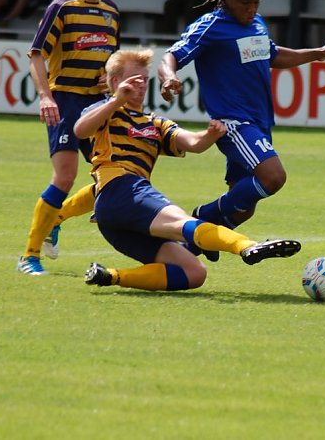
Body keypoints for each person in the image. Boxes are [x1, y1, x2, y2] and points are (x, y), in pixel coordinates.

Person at [157, 0, 325, 260]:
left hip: (259, 123)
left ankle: (193, 245)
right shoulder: (211, 26)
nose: (251, 8)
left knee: (244, 209)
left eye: (257, 2)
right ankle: (203, 215)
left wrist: (318, 53)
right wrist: (168, 77)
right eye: (245, 2)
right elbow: (171, 56)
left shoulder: (257, 23)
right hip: (233, 123)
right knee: (273, 177)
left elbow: (273, 55)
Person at [78, 48, 302, 291]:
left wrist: (210, 134)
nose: (141, 84)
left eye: (144, 78)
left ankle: (110, 276)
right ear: (115, 81)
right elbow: (81, 130)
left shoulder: (155, 123)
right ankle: (246, 246)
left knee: (194, 272)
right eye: (134, 78)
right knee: (185, 223)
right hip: (121, 189)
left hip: (120, 214)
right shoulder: (106, 110)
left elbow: (194, 144)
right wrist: (116, 99)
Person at [17, 0, 119, 276]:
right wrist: (46, 96)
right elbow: (36, 55)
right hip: (66, 100)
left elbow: (111, 62)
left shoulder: (111, 12)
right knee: (65, 176)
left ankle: (56, 217)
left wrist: (111, 81)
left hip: (98, 104)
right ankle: (29, 257)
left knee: (111, 176)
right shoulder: (61, 7)